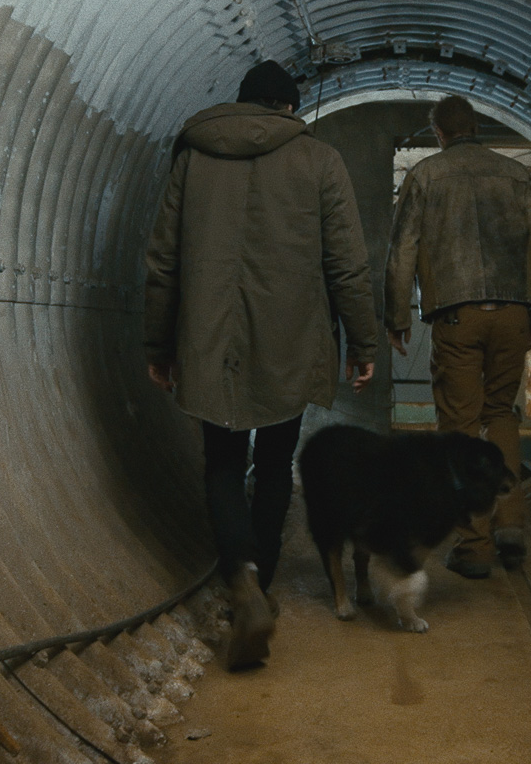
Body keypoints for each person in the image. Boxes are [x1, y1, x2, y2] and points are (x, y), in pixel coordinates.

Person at [143, 59, 378, 669]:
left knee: (222, 463)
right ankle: (260, 585)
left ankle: (240, 575)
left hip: (209, 338)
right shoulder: (319, 159)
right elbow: (347, 262)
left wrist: (158, 346)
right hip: (289, 338)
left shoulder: (194, 156)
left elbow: (164, 260)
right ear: (289, 108)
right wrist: (363, 342)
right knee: (274, 464)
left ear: (240, 103)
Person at [385, 95, 531, 578]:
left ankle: (475, 547)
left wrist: (397, 316)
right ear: (475, 127)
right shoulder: (516, 175)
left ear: (439, 133)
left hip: (457, 316)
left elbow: (402, 252)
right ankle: (511, 527)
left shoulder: (425, 176)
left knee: (459, 425)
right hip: (513, 312)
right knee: (500, 414)